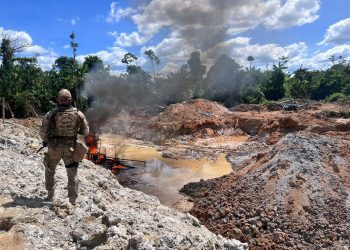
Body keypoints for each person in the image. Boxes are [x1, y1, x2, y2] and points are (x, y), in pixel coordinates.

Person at [39, 89, 89, 205]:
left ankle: (50, 195)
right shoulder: (78, 114)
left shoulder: (50, 114)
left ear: (58, 100)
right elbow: (85, 132)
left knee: (50, 170)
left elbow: (42, 132)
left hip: (54, 148)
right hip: (70, 148)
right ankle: (72, 201)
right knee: (72, 173)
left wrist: (47, 140)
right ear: (70, 100)